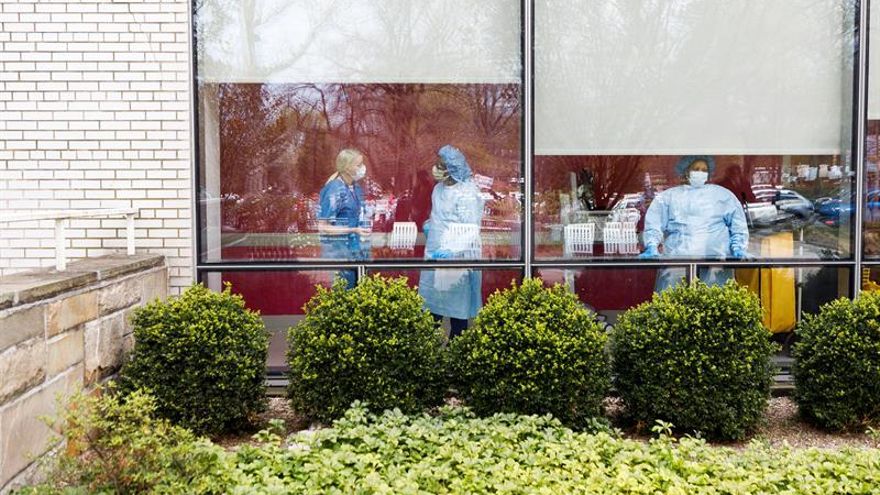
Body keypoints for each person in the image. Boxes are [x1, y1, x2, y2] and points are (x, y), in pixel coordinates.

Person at [639, 155, 750, 291]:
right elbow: (654, 224)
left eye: (704, 170)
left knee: (714, 305)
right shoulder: (669, 197)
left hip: (716, 263)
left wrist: (738, 248)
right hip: (677, 264)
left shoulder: (722, 195)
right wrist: (652, 246)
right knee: (674, 306)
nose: (700, 173)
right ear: (686, 171)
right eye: (696, 169)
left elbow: (738, 225)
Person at [419, 145, 484, 339]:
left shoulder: (467, 193)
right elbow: (439, 216)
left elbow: (470, 229)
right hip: (434, 252)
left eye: (441, 165)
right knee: (431, 305)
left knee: (458, 307)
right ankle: (428, 352)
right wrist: (430, 225)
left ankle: (456, 349)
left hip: (457, 256)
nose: (435, 168)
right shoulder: (438, 189)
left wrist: (451, 249)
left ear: (452, 168)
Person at [317, 148, 369, 288]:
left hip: (356, 252)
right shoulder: (334, 189)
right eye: (358, 165)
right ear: (346, 167)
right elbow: (323, 226)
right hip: (340, 253)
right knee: (346, 295)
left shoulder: (355, 188)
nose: (362, 168)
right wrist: (353, 229)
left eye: (362, 164)